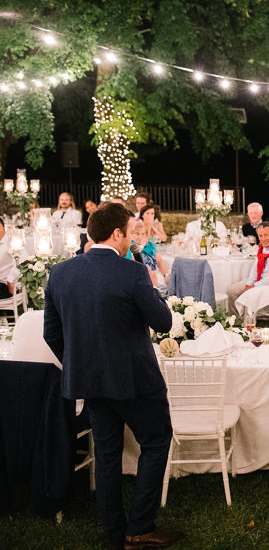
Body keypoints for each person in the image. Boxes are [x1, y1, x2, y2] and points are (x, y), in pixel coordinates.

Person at [43, 201, 179, 550]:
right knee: (156, 441)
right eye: (130, 231)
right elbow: (163, 322)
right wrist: (149, 284)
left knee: (106, 455)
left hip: (90, 383)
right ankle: (141, 526)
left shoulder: (60, 273)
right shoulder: (131, 271)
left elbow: (52, 334)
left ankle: (113, 531)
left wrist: (79, 363)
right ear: (117, 233)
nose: (132, 237)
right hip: (136, 382)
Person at [225, 222, 269, 318]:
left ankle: (248, 323)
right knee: (231, 290)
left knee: (249, 293)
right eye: (260, 235)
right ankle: (236, 320)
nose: (263, 239)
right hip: (260, 280)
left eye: (266, 235)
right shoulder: (262, 248)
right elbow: (255, 268)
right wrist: (249, 283)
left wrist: (254, 285)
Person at [132, 221, 168, 288]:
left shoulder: (149, 246)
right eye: (137, 234)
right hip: (139, 279)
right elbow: (135, 256)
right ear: (131, 235)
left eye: (143, 234)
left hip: (153, 277)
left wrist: (166, 275)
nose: (140, 236)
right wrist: (142, 245)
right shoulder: (131, 246)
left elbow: (158, 259)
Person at [0, 220, 19, 299]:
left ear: (4, 228)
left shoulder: (12, 241)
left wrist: (10, 280)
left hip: (7, 285)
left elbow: (21, 262)